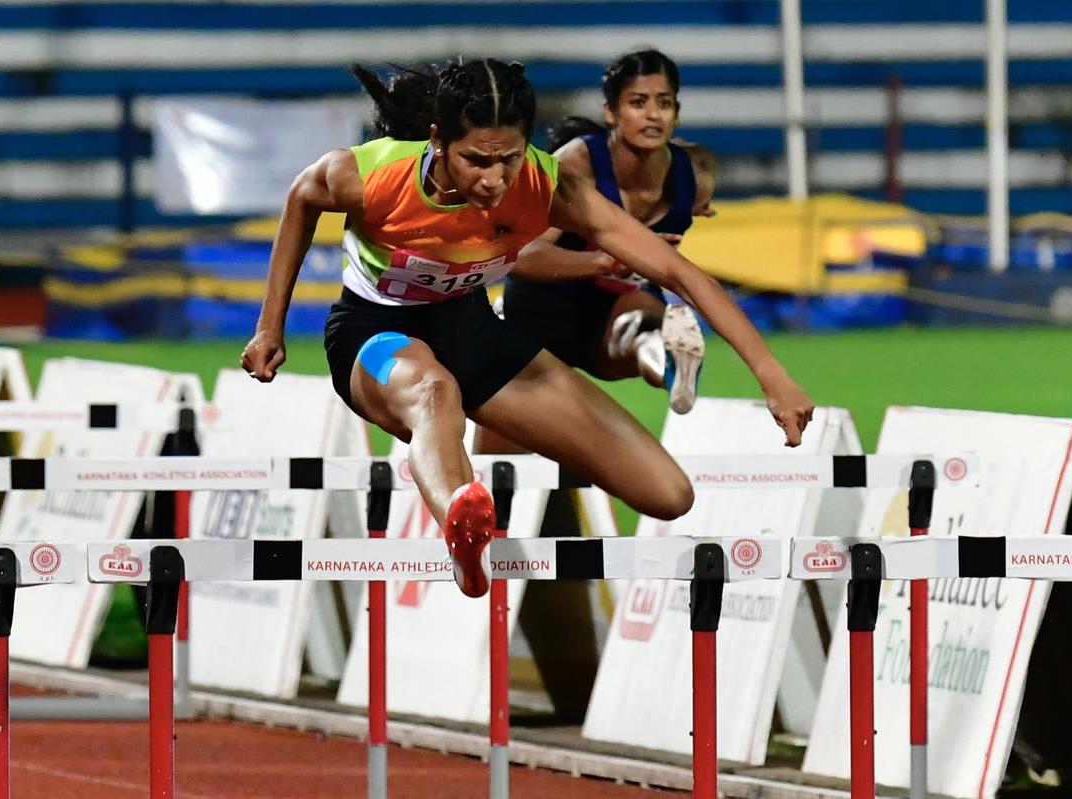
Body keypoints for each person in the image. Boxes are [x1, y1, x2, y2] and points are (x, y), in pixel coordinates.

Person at [241, 58, 813, 599]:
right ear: (437, 141)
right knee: (433, 393)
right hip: (375, 334)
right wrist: (271, 328)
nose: (494, 180)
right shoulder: (370, 175)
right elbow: (301, 198)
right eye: (476, 160)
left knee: (667, 494)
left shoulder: (546, 185)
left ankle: (468, 510)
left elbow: (677, 272)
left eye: (508, 158)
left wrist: (772, 374)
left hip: (472, 330)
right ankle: (464, 531)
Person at [501, 50, 717, 416]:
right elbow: (521, 256)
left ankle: (667, 360)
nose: (653, 114)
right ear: (611, 112)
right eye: (638, 102)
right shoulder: (575, 164)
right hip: (541, 312)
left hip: (614, 311)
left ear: (677, 113)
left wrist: (694, 208)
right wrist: (608, 261)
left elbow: (694, 205)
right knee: (505, 465)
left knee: (646, 320)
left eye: (664, 103)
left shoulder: (696, 175)